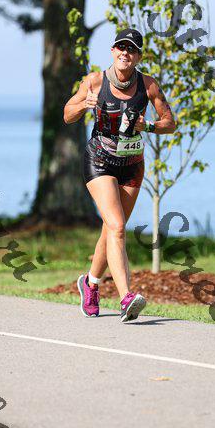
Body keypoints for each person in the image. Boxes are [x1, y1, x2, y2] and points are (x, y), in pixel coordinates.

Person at [63, 28, 176, 322]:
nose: (126, 53)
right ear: (113, 51)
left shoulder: (148, 85)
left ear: (138, 56)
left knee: (111, 228)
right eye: (121, 47)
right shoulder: (94, 81)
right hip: (99, 161)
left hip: (132, 165)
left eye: (132, 49)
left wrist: (148, 126)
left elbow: (169, 123)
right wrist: (83, 105)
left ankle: (90, 284)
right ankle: (126, 298)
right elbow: (67, 114)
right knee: (117, 226)